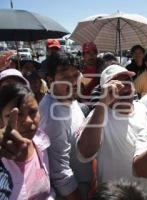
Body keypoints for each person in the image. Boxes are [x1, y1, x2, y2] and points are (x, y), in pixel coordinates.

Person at [76, 64, 147, 183]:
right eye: (117, 85)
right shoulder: (98, 116)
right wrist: (102, 104)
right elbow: (84, 154)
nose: (124, 89)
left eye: (127, 83)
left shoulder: (142, 109)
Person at [39, 52, 92, 200]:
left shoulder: (69, 99)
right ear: (50, 80)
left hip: (85, 183)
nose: (73, 83)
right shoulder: (52, 116)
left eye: (75, 75)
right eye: (65, 78)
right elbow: (60, 172)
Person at [0, 84, 55, 199]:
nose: (28, 121)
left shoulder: (41, 144)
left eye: (33, 112)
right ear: (1, 121)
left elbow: (47, 192)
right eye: (18, 115)